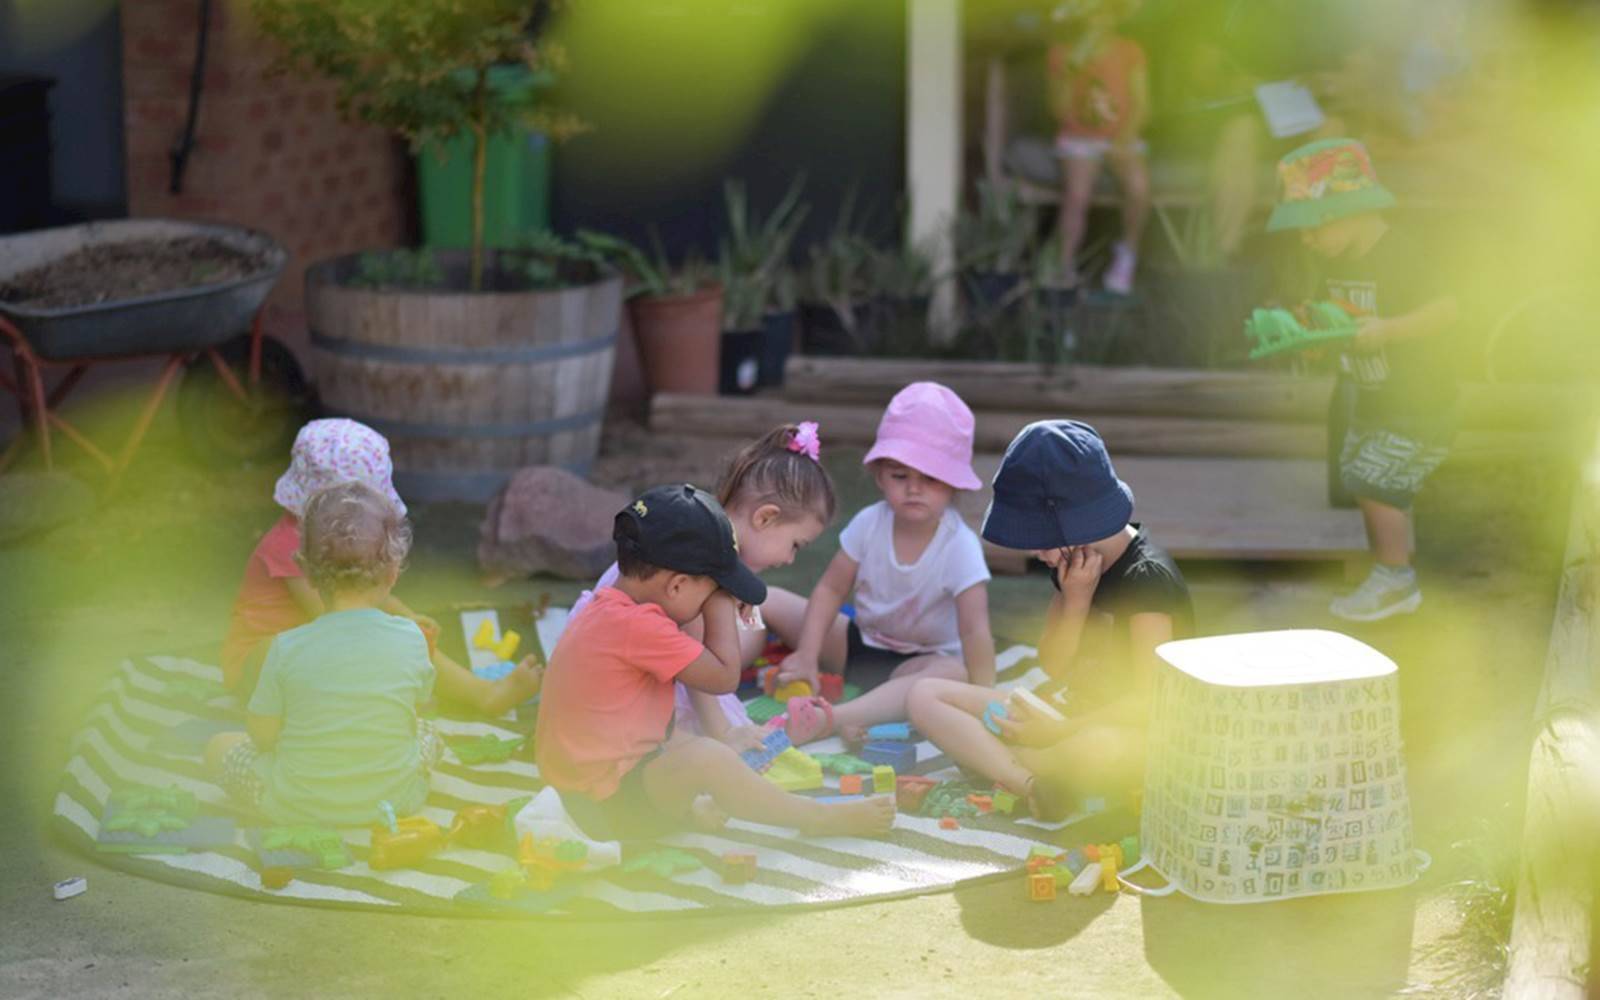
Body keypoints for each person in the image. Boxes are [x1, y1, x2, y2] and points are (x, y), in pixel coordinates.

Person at [535, 484, 895, 839]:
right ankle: (817, 818)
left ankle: (687, 809)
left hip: (588, 789)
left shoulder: (610, 609)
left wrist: (711, 592)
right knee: (709, 757)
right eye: (711, 590)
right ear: (677, 585)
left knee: (682, 739)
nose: (714, 600)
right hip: (601, 810)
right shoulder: (639, 626)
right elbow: (724, 676)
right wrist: (720, 604)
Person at [906, 420, 1193, 820]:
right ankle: (1028, 782)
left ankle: (995, 762)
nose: (1036, 554)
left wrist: (1062, 731)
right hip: (1064, 711)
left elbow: (1152, 701)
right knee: (924, 696)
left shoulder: (1147, 581)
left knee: (1103, 749)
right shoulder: (1070, 564)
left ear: (1077, 522)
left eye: (1039, 539)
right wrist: (1076, 601)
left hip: (1118, 726)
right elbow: (1054, 665)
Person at [221, 418, 540, 712]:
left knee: (396, 639)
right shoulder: (287, 545)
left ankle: (478, 693)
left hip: (315, 654)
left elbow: (358, 592)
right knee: (353, 644)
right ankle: (406, 697)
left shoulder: (336, 539)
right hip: (261, 668)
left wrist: (406, 617)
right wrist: (391, 636)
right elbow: (332, 618)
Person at [1268, 137, 1458, 621]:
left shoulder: (1402, 253)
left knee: (1375, 481)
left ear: (1348, 213)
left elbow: (1447, 311)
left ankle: (1396, 579)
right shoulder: (1336, 260)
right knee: (1360, 475)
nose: (1306, 240)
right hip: (1373, 397)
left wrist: (1388, 330)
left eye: (1313, 227)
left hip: (1420, 402)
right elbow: (1333, 320)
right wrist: (1306, 332)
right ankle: (1387, 571)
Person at [568, 423, 837, 750]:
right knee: (727, 734)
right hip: (625, 678)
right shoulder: (702, 570)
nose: (791, 559)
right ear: (765, 518)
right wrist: (723, 731)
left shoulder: (702, 533)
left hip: (609, 649)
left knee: (750, 629)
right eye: (795, 545)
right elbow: (699, 668)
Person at [204, 482, 444, 825]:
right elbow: (416, 706)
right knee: (428, 732)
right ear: (393, 574)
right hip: (394, 798)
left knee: (217, 747)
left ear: (308, 574)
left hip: (296, 805)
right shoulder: (412, 637)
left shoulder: (285, 648)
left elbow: (263, 736)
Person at [778, 383, 996, 746]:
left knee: (951, 674)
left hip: (919, 663)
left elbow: (975, 630)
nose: (914, 489)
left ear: (954, 484)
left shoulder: (960, 546)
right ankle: (711, 676)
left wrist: (985, 695)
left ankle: (833, 718)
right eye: (900, 476)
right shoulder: (869, 523)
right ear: (880, 476)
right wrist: (807, 654)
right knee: (768, 600)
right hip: (858, 646)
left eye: (930, 478)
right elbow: (831, 589)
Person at [1046, 0, 1150, 294]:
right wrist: (1072, 67)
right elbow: (1058, 110)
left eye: (1103, 12)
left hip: (1122, 136)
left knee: (1139, 187)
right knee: (1077, 194)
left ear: (1114, 16)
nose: (1097, 20)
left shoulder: (1130, 51)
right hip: (1078, 138)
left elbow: (1142, 106)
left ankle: (1127, 254)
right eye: (1090, 12)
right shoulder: (1061, 53)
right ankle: (1063, 266)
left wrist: (1123, 138)